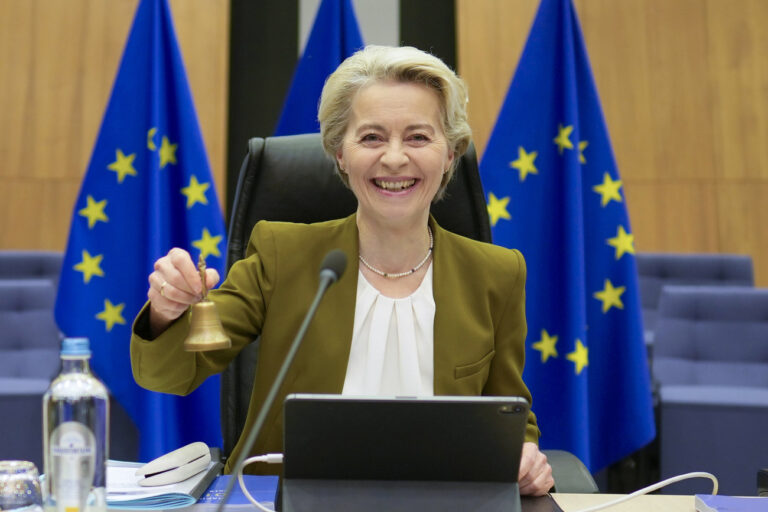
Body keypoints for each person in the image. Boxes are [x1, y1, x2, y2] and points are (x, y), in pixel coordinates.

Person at [130, 45, 554, 496]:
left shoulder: (497, 274)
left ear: (450, 154)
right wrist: (166, 311)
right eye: (371, 137)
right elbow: (170, 375)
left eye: (418, 137)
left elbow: (508, 413)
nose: (394, 158)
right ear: (339, 154)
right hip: (286, 502)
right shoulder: (282, 254)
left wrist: (526, 457)